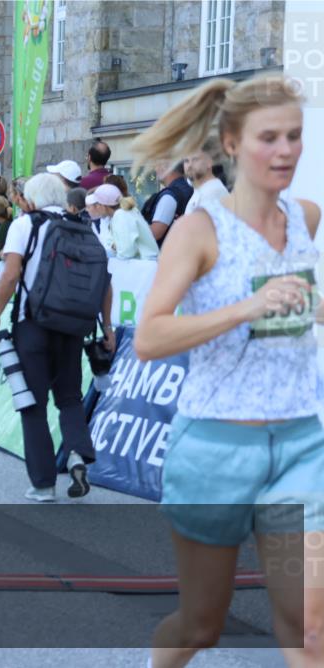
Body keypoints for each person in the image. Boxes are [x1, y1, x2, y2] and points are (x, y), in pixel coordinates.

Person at [132, 75, 323, 668]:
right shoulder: (199, 229)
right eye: (270, 137)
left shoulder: (309, 218)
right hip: (217, 443)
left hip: (301, 443)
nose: (286, 150)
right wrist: (247, 306)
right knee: (200, 625)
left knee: (309, 627)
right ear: (234, 143)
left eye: (294, 136)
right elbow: (149, 338)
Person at [0, 172, 115, 502]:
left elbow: (11, 274)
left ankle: (42, 484)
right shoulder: (82, 228)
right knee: (69, 397)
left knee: (33, 403)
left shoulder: (25, 225)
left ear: (31, 198)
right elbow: (105, 281)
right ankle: (77, 454)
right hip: (73, 327)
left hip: (34, 324)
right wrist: (108, 326)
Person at [87, 184, 159, 260]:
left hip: (145, 264)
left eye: (96, 205)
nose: (95, 208)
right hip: (143, 263)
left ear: (103, 205)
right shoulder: (122, 213)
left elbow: (127, 253)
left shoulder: (121, 215)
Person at [141, 161, 193, 246]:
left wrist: (132, 235)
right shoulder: (189, 189)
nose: (155, 169)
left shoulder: (169, 196)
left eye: (157, 165)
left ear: (166, 167)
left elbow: (155, 233)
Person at [183, 147, 229, 215]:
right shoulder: (202, 190)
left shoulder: (213, 191)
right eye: (186, 161)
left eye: (195, 159)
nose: (189, 165)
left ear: (209, 162)